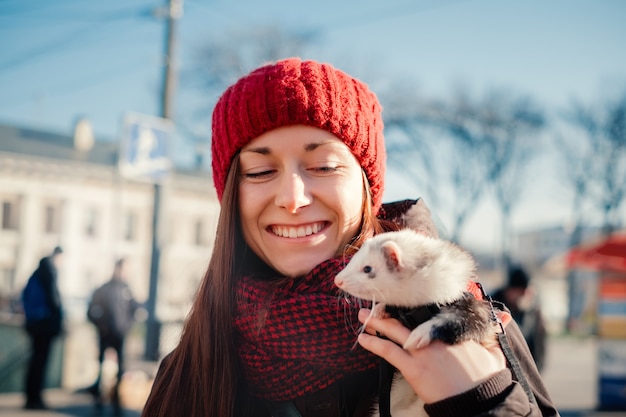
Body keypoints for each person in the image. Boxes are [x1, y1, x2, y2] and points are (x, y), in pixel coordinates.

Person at [141, 58, 558, 417]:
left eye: (323, 166)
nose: (292, 198)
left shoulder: (472, 325)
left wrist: (483, 402)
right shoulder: (190, 369)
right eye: (259, 172)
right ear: (232, 194)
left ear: (367, 189)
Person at [84, 258, 139, 415]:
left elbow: (136, 309)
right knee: (101, 368)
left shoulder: (127, 289)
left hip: (120, 335)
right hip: (105, 334)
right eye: (123, 269)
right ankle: (98, 400)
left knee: (120, 369)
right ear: (117, 269)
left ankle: (116, 402)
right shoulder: (104, 289)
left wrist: (128, 325)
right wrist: (100, 324)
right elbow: (90, 310)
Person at [21, 246, 64, 410]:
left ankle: (31, 397)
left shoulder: (37, 272)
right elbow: (54, 300)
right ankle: (35, 398)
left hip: (33, 323)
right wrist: (57, 321)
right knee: (40, 362)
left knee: (34, 362)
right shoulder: (50, 271)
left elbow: (24, 296)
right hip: (44, 325)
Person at [491, 265, 548, 373]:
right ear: (509, 290)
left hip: (525, 374)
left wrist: (534, 375)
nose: (525, 295)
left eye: (528, 291)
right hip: (498, 373)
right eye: (521, 291)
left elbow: (538, 347)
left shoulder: (533, 311)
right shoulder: (490, 308)